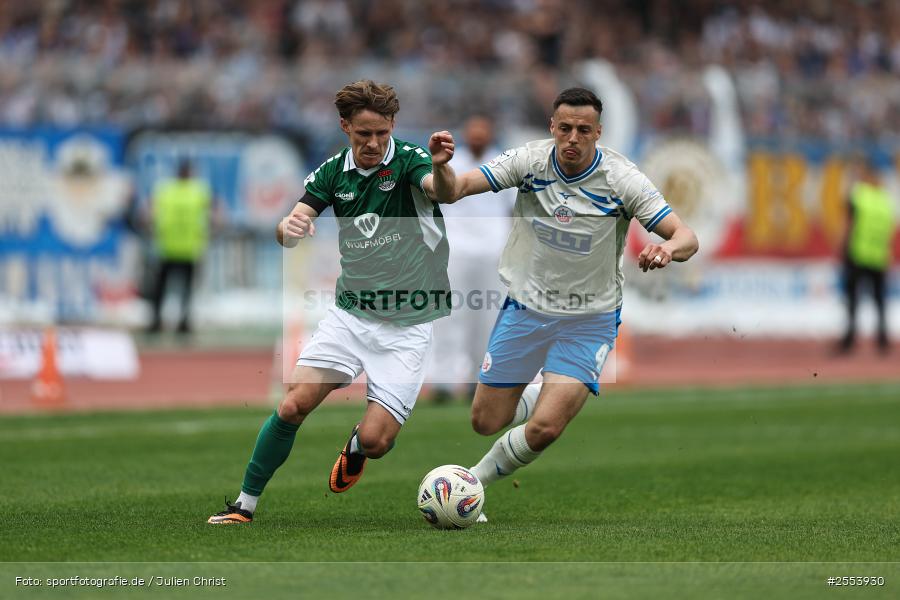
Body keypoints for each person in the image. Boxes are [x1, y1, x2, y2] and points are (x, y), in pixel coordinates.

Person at [429, 87, 699, 521]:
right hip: (527, 308)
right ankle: (547, 391)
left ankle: (470, 483)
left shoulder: (622, 179)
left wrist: (666, 250)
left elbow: (686, 236)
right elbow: (454, 190)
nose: (573, 138)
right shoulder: (530, 161)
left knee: (546, 427)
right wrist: (442, 169)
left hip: (589, 319)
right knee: (484, 420)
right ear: (553, 127)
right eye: (566, 128)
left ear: (598, 133)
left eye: (584, 130)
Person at [208, 80, 454, 524]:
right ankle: (244, 506)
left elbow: (438, 189)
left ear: (392, 126)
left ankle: (359, 446)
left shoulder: (412, 160)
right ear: (345, 127)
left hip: (407, 326)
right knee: (292, 404)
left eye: (381, 132)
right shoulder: (330, 174)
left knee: (379, 441)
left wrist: (441, 167)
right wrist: (290, 227)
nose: (374, 143)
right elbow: (291, 224)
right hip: (350, 316)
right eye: (363, 134)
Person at [427, 115, 517, 404]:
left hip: (493, 252)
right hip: (456, 250)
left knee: (488, 316)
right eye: (473, 130)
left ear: (490, 134)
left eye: (483, 130)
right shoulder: (449, 163)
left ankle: (478, 379)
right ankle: (442, 381)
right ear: (465, 134)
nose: (478, 135)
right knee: (447, 315)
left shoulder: (503, 166)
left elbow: (514, 211)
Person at [837, 157, 896, 354]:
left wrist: (841, 247)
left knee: (852, 300)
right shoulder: (884, 201)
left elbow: (848, 223)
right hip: (878, 257)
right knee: (879, 301)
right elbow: (889, 232)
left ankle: (849, 340)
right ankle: (882, 341)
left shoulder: (859, 196)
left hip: (858, 254)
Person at [147, 159, 213, 334]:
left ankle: (163, 322)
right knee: (180, 289)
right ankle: (179, 323)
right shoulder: (197, 191)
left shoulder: (166, 190)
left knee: (167, 288)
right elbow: (214, 214)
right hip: (183, 248)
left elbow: (150, 213)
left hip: (172, 247)